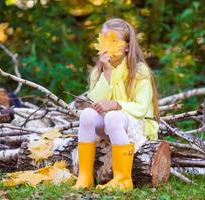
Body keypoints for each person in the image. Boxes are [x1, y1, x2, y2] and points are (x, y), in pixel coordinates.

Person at [73, 18, 160, 191]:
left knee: (113, 116)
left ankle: (123, 179)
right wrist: (106, 72)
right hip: (109, 125)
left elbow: (141, 109)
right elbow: (95, 101)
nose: (108, 45)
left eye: (114, 40)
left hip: (137, 123)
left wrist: (116, 105)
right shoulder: (99, 70)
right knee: (87, 114)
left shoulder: (139, 71)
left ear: (127, 46)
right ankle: (85, 176)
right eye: (104, 39)